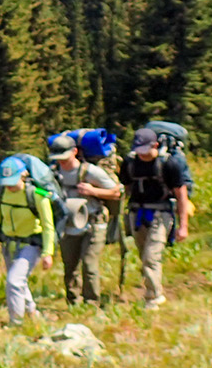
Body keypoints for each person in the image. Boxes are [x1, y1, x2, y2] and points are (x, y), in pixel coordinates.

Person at [121, 128, 191, 309]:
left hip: (161, 214)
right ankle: (151, 287)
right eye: (138, 150)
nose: (141, 154)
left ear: (156, 145)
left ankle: (153, 297)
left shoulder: (169, 164)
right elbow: (125, 188)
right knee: (144, 255)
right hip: (136, 214)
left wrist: (183, 226)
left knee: (151, 257)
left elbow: (181, 195)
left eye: (145, 149)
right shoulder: (130, 163)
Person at [48, 135, 122, 306]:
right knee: (70, 266)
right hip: (68, 224)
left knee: (89, 264)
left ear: (74, 152)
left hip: (94, 223)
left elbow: (116, 192)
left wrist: (93, 191)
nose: (62, 162)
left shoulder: (90, 172)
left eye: (64, 158)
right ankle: (73, 301)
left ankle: (91, 302)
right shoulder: (53, 172)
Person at [0, 157, 56, 326]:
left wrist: (47, 253)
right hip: (8, 244)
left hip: (31, 245)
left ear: (23, 176)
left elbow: (48, 226)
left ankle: (16, 322)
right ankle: (31, 311)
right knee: (18, 280)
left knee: (14, 281)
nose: (9, 185)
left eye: (12, 181)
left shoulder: (37, 196)